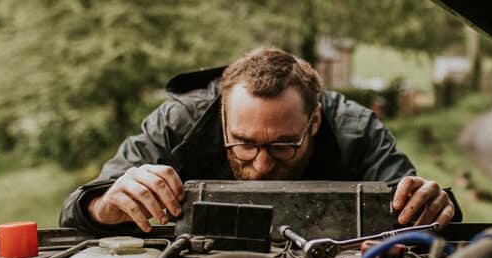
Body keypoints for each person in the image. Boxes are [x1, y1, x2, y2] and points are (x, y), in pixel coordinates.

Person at [60, 48, 460, 234]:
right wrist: (104, 204)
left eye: (284, 145)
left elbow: (421, 216)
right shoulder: (178, 122)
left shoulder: (357, 130)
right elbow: (77, 212)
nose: (262, 165)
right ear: (221, 117)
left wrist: (432, 204)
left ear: (315, 119)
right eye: (244, 144)